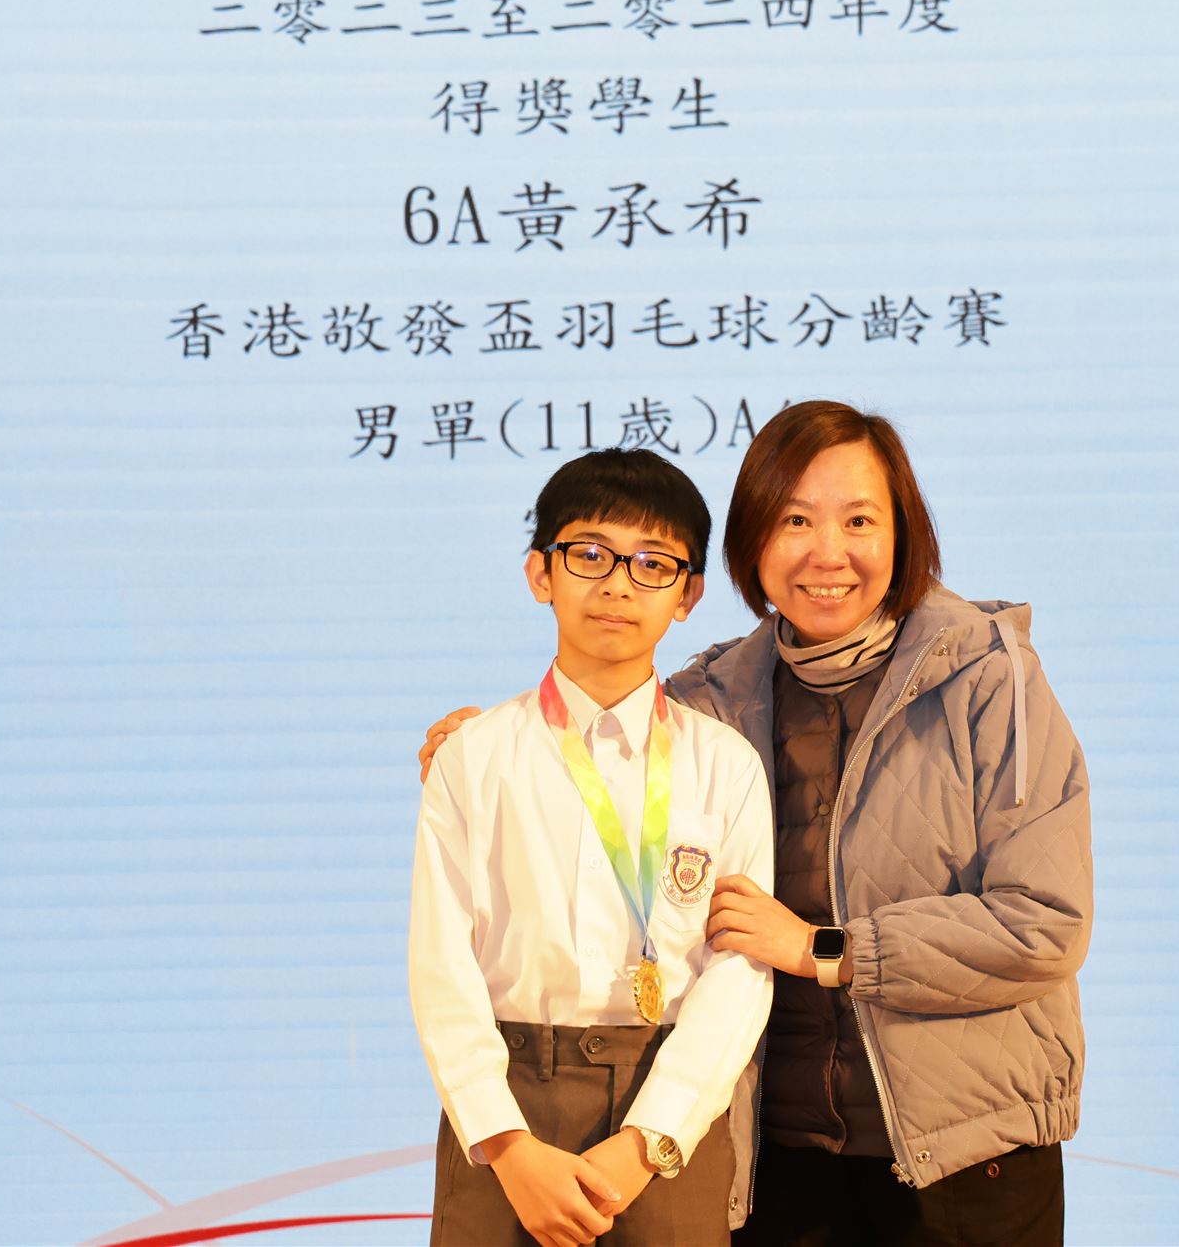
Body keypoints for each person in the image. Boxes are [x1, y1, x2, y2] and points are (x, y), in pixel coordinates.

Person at [422, 402, 1091, 1247]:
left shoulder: (991, 678)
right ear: (751, 542)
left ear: (903, 534)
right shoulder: (712, 700)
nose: (827, 552)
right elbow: (599, 734)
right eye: (795, 520)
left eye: (859, 520)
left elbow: (1044, 923)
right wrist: (482, 742)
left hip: (965, 1153)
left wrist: (823, 948)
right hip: (776, 1160)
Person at [409, 447, 775, 1247]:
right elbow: (440, 965)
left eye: (653, 563)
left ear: (688, 594)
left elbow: (740, 972)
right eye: (590, 554)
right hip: (505, 1113)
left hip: (665, 1114)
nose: (617, 584)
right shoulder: (474, 756)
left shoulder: (726, 765)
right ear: (540, 574)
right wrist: (506, 1145)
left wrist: (648, 1140)